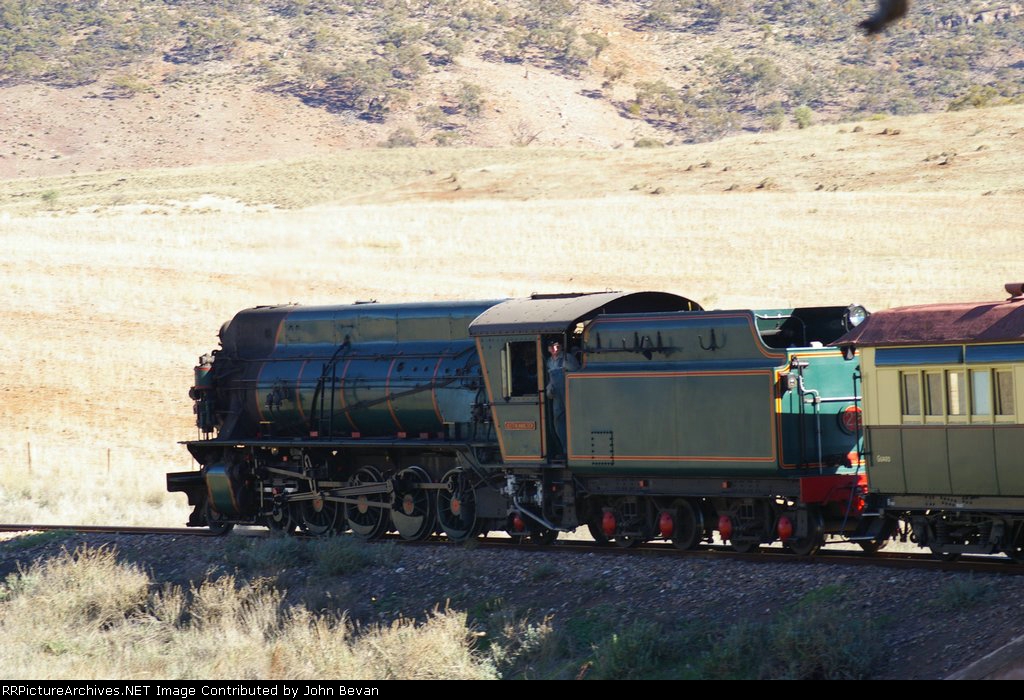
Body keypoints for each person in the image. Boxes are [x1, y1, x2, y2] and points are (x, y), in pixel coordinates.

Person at [545, 338, 579, 458]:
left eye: (557, 346)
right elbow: (550, 378)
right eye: (553, 347)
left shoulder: (568, 358)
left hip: (569, 392)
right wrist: (549, 388)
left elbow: (577, 374)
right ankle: (565, 449)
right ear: (549, 349)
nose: (555, 348)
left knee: (572, 420)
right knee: (558, 422)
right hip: (556, 394)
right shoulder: (549, 362)